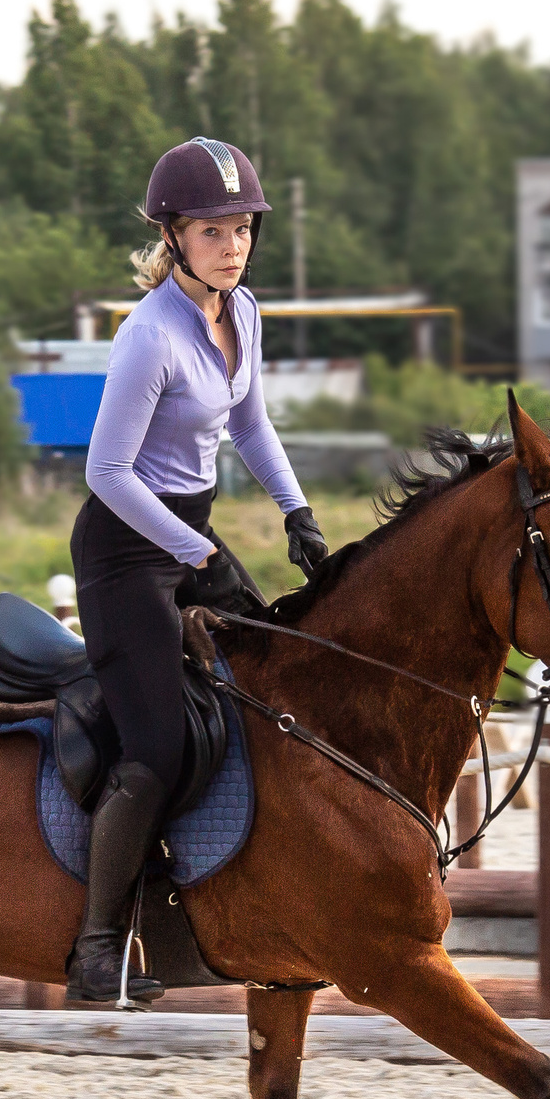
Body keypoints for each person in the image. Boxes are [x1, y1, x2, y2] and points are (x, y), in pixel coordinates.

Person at [66, 136, 332, 1005]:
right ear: (174, 235)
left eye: (242, 228)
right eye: (214, 230)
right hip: (125, 553)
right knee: (157, 744)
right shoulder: (148, 337)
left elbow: (250, 426)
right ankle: (101, 945)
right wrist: (195, 554)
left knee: (280, 675)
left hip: (193, 537)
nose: (232, 245)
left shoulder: (241, 313)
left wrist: (296, 511)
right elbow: (106, 474)